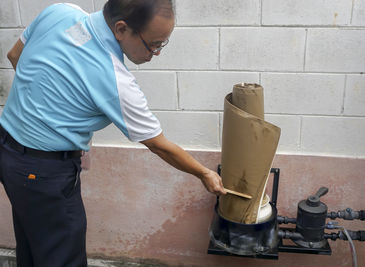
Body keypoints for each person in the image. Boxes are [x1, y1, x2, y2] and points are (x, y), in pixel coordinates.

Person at [0, 0, 226, 266]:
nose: (157, 53)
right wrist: (204, 172)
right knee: (61, 256)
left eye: (163, 44)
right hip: (45, 174)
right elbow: (159, 145)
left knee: (33, 244)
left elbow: (15, 55)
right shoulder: (114, 80)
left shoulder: (59, 12)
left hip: (8, 154)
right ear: (121, 28)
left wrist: (43, 102)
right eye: (153, 44)